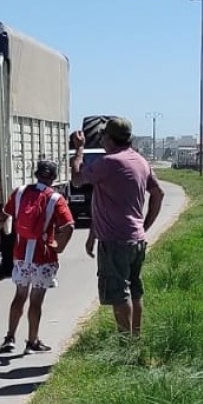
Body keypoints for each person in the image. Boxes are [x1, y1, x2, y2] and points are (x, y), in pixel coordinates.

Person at [70, 117, 164, 337]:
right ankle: (136, 338)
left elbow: (76, 179)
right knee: (134, 291)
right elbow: (158, 194)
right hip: (135, 239)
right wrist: (144, 225)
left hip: (114, 241)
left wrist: (79, 150)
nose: (101, 139)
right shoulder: (140, 161)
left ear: (109, 139)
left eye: (103, 136)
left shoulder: (109, 163)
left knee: (120, 295)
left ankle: (126, 346)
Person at [0, 160, 75, 354]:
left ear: (36, 173)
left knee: (19, 296)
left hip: (21, 255)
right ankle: (32, 341)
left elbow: (4, 215)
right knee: (36, 300)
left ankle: (9, 337)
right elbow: (69, 226)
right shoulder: (55, 198)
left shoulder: (20, 192)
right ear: (54, 177)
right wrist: (59, 247)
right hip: (43, 257)